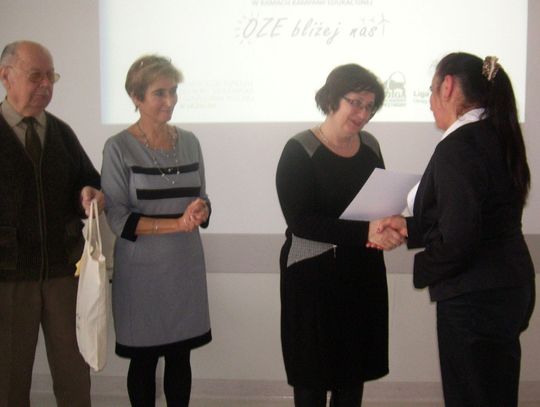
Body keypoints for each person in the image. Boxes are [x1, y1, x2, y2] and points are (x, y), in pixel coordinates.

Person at [378, 52, 536, 407]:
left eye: (431, 90)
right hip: (509, 286)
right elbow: (479, 217)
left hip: (474, 298)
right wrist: (409, 227)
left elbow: (461, 237)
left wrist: (422, 268)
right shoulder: (498, 134)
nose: (429, 103)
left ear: (447, 86)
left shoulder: (459, 145)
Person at [275, 63, 404, 407]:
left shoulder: (371, 145)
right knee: (312, 377)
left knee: (352, 375)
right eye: (355, 103)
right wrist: (367, 231)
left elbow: (379, 202)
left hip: (362, 273)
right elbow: (301, 222)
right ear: (332, 99)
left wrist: (390, 225)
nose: (363, 114)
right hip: (312, 276)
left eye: (370, 106)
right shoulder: (299, 149)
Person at [101, 55, 211, 407]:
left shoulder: (190, 141)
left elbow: (202, 197)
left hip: (184, 266)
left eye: (173, 91)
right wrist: (176, 224)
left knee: (181, 356)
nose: (170, 100)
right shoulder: (118, 147)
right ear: (136, 97)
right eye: (159, 93)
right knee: (143, 359)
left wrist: (201, 210)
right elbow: (118, 218)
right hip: (141, 273)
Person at [0, 40, 104, 407]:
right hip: (8, 278)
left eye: (51, 76)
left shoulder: (61, 133)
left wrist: (90, 194)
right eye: (35, 76)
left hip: (64, 273)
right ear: (6, 77)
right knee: (8, 380)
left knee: (74, 375)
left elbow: (89, 182)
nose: (46, 85)